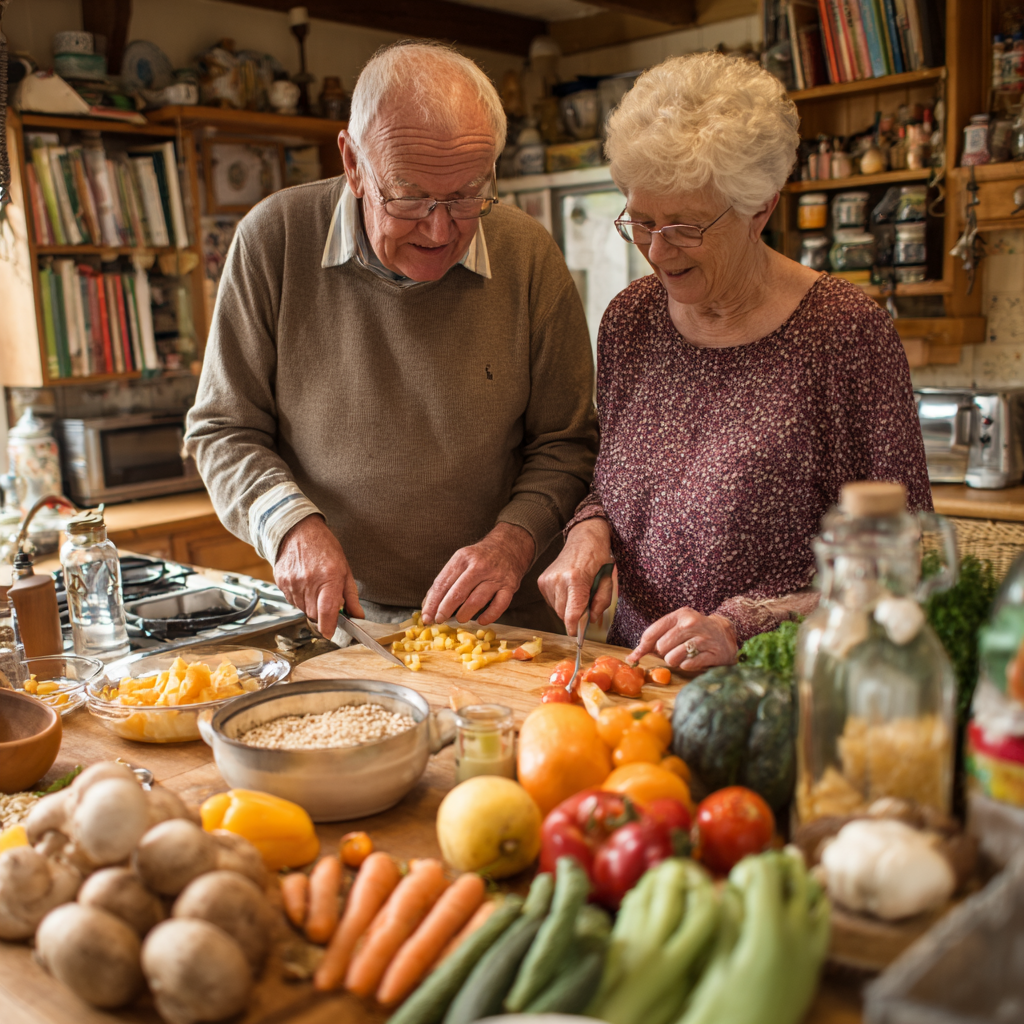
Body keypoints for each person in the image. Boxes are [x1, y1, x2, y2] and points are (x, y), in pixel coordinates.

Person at [185, 42, 598, 639]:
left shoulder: (528, 254)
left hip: (510, 624)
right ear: (353, 163)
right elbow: (223, 429)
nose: (439, 229)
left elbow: (567, 444)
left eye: (465, 196)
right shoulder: (273, 242)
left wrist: (514, 541)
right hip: (345, 622)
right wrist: (291, 526)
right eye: (409, 196)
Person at [538, 52, 931, 672]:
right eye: (640, 221)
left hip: (781, 688)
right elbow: (612, 484)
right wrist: (588, 531)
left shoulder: (844, 334)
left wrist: (741, 627)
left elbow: (905, 563)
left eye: (686, 226)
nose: (658, 250)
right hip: (634, 679)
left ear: (761, 210)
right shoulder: (629, 321)